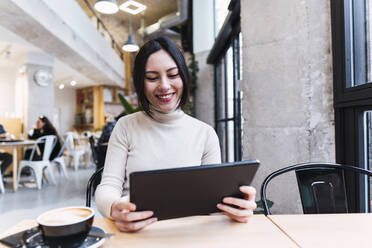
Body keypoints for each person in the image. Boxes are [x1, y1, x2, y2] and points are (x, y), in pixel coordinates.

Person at [95, 36, 257, 232]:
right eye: (152, 78)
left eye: (172, 75)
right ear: (140, 82)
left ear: (183, 77)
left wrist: (236, 208)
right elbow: (108, 186)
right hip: (137, 232)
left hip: (191, 234)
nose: (164, 85)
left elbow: (213, 200)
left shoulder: (205, 134)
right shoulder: (126, 126)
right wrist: (114, 208)